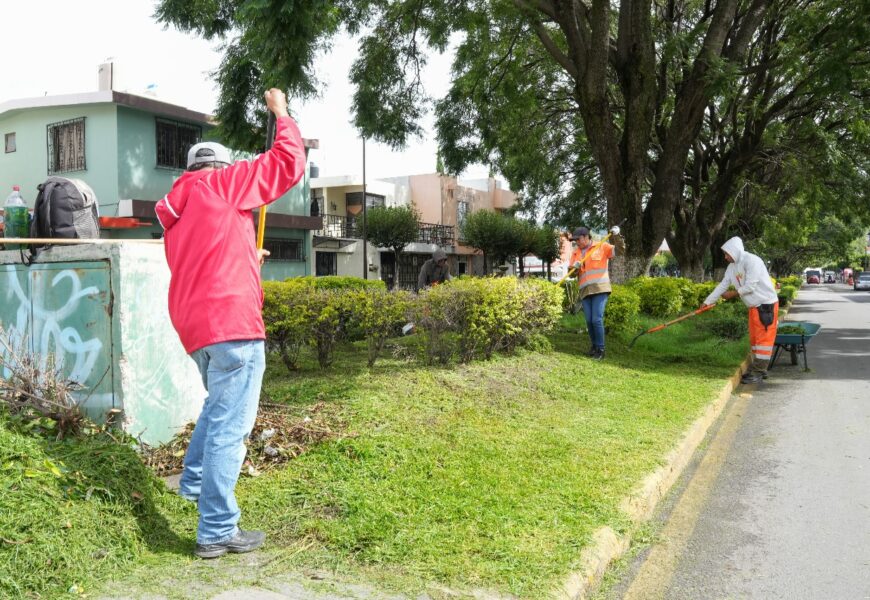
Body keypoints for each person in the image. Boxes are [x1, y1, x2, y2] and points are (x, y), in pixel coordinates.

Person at [154, 88, 306, 559]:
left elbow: (211, 258)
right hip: (232, 323)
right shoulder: (221, 186)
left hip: (197, 326)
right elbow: (287, 162)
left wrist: (250, 258)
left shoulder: (177, 207)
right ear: (221, 168)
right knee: (230, 424)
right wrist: (281, 112)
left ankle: (194, 482)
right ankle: (217, 528)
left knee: (219, 407)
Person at [703, 236, 779, 384]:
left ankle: (759, 371)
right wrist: (707, 302)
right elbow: (723, 285)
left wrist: (732, 294)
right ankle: (758, 369)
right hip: (753, 306)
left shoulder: (752, 261)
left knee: (763, 340)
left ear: (734, 251)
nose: (725, 257)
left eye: (727, 254)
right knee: (755, 340)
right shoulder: (732, 267)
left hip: (765, 305)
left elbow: (750, 286)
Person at [569, 225, 623, 360]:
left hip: (600, 288)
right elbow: (571, 274)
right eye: (575, 240)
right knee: (589, 321)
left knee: (596, 319)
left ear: (587, 237)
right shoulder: (575, 253)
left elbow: (620, 251)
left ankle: (600, 349)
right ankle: (594, 346)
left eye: (578, 239)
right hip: (585, 290)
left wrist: (617, 236)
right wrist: (574, 269)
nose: (577, 242)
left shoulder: (602, 246)